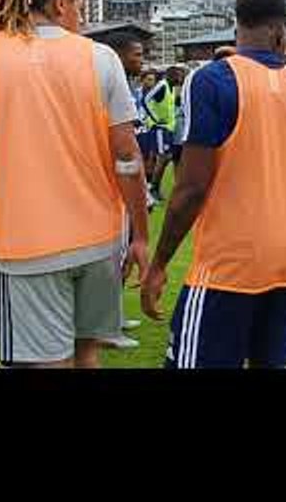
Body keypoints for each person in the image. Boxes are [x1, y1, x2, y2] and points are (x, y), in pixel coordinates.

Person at [0, 0, 149, 369]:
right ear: (61, 1)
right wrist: (139, 234)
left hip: (29, 248)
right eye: (80, 5)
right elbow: (127, 156)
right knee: (87, 356)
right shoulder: (100, 57)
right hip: (101, 240)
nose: (81, 15)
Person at [141, 0, 286, 368]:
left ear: (236, 26)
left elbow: (191, 189)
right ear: (282, 32)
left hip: (229, 266)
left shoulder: (211, 80)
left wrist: (158, 264)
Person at [103, 31, 152, 351]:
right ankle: (105, 328)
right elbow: (121, 147)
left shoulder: (126, 85)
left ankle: (114, 317)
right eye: (136, 54)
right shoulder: (107, 82)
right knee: (111, 259)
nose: (141, 60)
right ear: (119, 56)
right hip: (110, 184)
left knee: (120, 255)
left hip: (121, 185)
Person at [145, 66, 182, 204]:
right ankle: (152, 189)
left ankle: (153, 188)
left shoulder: (171, 88)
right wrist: (154, 118)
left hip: (168, 129)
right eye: (178, 75)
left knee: (161, 158)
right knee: (163, 158)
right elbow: (146, 99)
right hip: (160, 128)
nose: (180, 78)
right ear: (171, 75)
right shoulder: (162, 85)